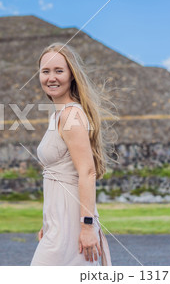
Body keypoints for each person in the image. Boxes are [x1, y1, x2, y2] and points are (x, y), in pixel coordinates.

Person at [30, 42, 117, 266]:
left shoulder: (70, 116)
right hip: (59, 222)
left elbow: (87, 172)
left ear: (71, 75)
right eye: (45, 71)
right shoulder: (58, 116)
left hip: (74, 223)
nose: (51, 77)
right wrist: (49, 223)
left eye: (59, 71)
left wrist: (87, 226)